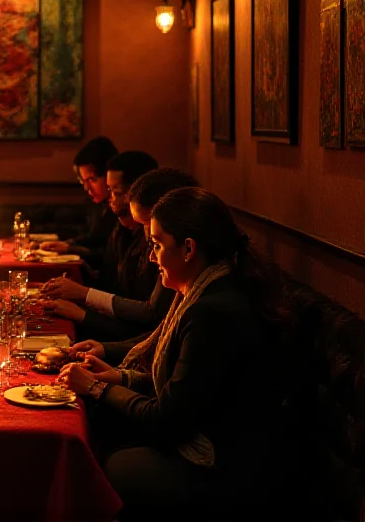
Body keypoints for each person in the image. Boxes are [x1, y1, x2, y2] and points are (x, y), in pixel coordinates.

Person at [59, 187, 284, 518]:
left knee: (109, 457)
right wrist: (120, 377)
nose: (152, 257)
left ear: (189, 248)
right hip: (214, 438)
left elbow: (168, 420)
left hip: (226, 466)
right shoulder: (204, 291)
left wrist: (98, 388)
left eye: (158, 244)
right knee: (97, 425)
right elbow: (187, 386)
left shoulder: (212, 312)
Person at [42, 168, 198, 341]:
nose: (147, 236)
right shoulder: (126, 231)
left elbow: (150, 319)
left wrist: (84, 308)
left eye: (115, 191)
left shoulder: (200, 298)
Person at [39, 136, 119, 266]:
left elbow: (108, 257)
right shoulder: (98, 205)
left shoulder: (122, 212)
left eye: (92, 180)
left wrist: (70, 248)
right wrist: (66, 244)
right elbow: (90, 237)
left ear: (109, 175)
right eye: (83, 181)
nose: (87, 188)